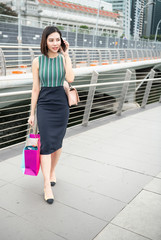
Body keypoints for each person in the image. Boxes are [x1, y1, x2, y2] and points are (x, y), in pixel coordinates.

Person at [28, 26, 74, 204]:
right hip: (45, 104)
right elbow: (35, 89)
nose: (55, 43)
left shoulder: (63, 58)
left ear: (61, 41)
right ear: (45, 41)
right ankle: (46, 184)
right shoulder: (37, 61)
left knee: (58, 142)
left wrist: (67, 55)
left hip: (61, 104)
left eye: (58, 39)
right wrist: (32, 113)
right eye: (51, 40)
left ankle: (53, 170)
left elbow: (70, 79)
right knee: (46, 143)